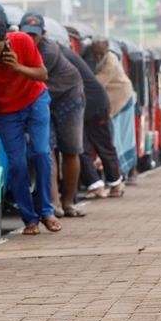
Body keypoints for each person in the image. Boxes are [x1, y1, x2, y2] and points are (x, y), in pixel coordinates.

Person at [0, 17, 61, 235]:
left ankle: (47, 211)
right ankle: (30, 219)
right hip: (5, 111)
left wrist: (17, 67)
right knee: (17, 164)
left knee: (40, 152)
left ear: (6, 40)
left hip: (34, 100)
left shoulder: (22, 41)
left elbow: (42, 74)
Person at [18, 13, 83, 221]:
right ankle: (54, 204)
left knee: (71, 149)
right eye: (25, 33)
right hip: (42, 99)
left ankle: (68, 202)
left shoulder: (48, 51)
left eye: (34, 35)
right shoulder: (14, 46)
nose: (30, 39)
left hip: (68, 96)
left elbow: (26, 78)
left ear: (43, 35)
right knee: (46, 150)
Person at [62, 44, 124, 207]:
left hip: (95, 104)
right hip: (84, 104)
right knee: (82, 146)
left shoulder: (59, 56)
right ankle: (98, 184)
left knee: (99, 144)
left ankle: (112, 183)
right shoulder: (67, 54)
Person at [83, 36, 134, 194]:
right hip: (101, 101)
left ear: (106, 48)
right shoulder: (88, 54)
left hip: (118, 98)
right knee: (106, 141)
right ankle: (115, 181)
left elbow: (94, 84)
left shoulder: (110, 61)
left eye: (101, 53)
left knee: (111, 140)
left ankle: (118, 179)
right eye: (95, 53)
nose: (98, 56)